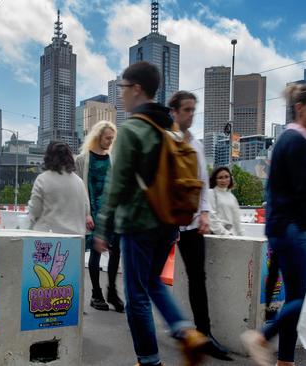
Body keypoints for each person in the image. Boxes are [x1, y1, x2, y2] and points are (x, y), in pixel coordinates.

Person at [94, 62, 209, 366]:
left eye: (123, 88)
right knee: (154, 282)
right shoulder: (170, 129)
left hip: (139, 224)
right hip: (169, 223)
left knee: (137, 296)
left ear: (137, 89)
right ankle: (186, 331)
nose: (121, 94)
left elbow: (116, 186)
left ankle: (149, 361)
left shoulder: (132, 129)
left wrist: (102, 229)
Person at [241, 82, 306, 366]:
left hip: (282, 227)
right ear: (299, 107)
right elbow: (304, 192)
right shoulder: (295, 142)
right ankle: (261, 337)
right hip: (290, 228)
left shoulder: (289, 140)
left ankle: (285, 361)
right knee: (305, 298)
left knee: (294, 298)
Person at [169, 91, 232, 361]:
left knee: (198, 279)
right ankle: (174, 328)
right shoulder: (165, 140)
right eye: (186, 110)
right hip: (167, 222)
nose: (191, 115)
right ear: (173, 111)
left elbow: (203, 182)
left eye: (194, 110)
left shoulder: (196, 144)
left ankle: (203, 335)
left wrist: (205, 213)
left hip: (193, 223)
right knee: (151, 280)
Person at [75, 121, 124, 312]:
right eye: (107, 138)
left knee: (116, 252)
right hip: (92, 213)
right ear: (98, 136)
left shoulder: (113, 159)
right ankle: (96, 294)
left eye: (112, 138)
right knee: (95, 252)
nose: (110, 141)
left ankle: (112, 290)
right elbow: (79, 189)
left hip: (112, 214)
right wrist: (87, 213)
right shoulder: (82, 159)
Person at [28, 141, 91, 236]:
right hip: (75, 239)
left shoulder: (42, 180)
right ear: (70, 158)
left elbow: (34, 211)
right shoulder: (79, 182)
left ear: (48, 157)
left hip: (47, 239)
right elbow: (86, 210)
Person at [208, 166, 244, 236]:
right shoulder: (211, 193)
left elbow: (236, 220)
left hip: (230, 235)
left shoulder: (232, 197)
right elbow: (211, 216)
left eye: (226, 177)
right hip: (216, 236)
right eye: (220, 178)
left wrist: (241, 236)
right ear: (215, 180)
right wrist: (225, 233)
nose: (224, 180)